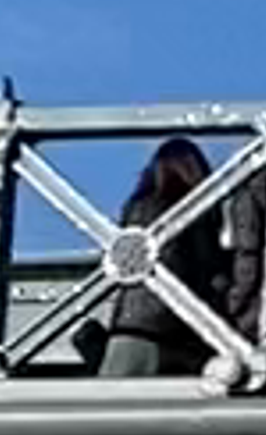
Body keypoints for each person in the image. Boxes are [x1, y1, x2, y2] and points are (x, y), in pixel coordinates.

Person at [98, 138, 245, 379]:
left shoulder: (138, 209)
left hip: (134, 328)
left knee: (109, 409)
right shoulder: (197, 215)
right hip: (183, 335)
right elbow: (209, 272)